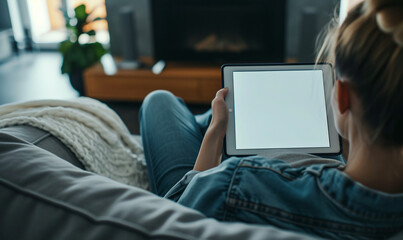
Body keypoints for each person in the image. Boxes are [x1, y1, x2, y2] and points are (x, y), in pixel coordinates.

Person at [139, 0, 403, 239]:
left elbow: (173, 219)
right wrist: (348, 144)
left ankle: (212, 123)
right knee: (226, 112)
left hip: (222, 167)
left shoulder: (237, 183)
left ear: (342, 97)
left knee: (160, 101)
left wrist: (215, 137)